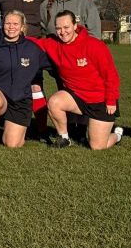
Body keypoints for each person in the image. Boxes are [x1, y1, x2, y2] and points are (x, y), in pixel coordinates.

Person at [36, 10, 123, 150]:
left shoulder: (94, 45)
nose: (62, 32)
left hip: (100, 100)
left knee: (97, 146)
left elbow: (111, 75)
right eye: (58, 28)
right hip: (77, 97)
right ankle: (64, 138)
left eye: (66, 27)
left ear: (75, 26)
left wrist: (111, 100)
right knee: (54, 102)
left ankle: (117, 135)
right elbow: (32, 42)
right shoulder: (53, 44)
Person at [0, 10, 52, 148]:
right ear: (2, 24)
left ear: (22, 26)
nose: (11, 27)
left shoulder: (32, 49)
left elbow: (52, 67)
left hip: (20, 98)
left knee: (12, 144)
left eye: (15, 24)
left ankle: (8, 127)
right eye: (8, 23)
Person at [0, 0, 50, 136]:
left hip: (32, 44)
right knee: (10, 83)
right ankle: (9, 121)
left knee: (35, 86)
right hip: (9, 45)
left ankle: (42, 129)